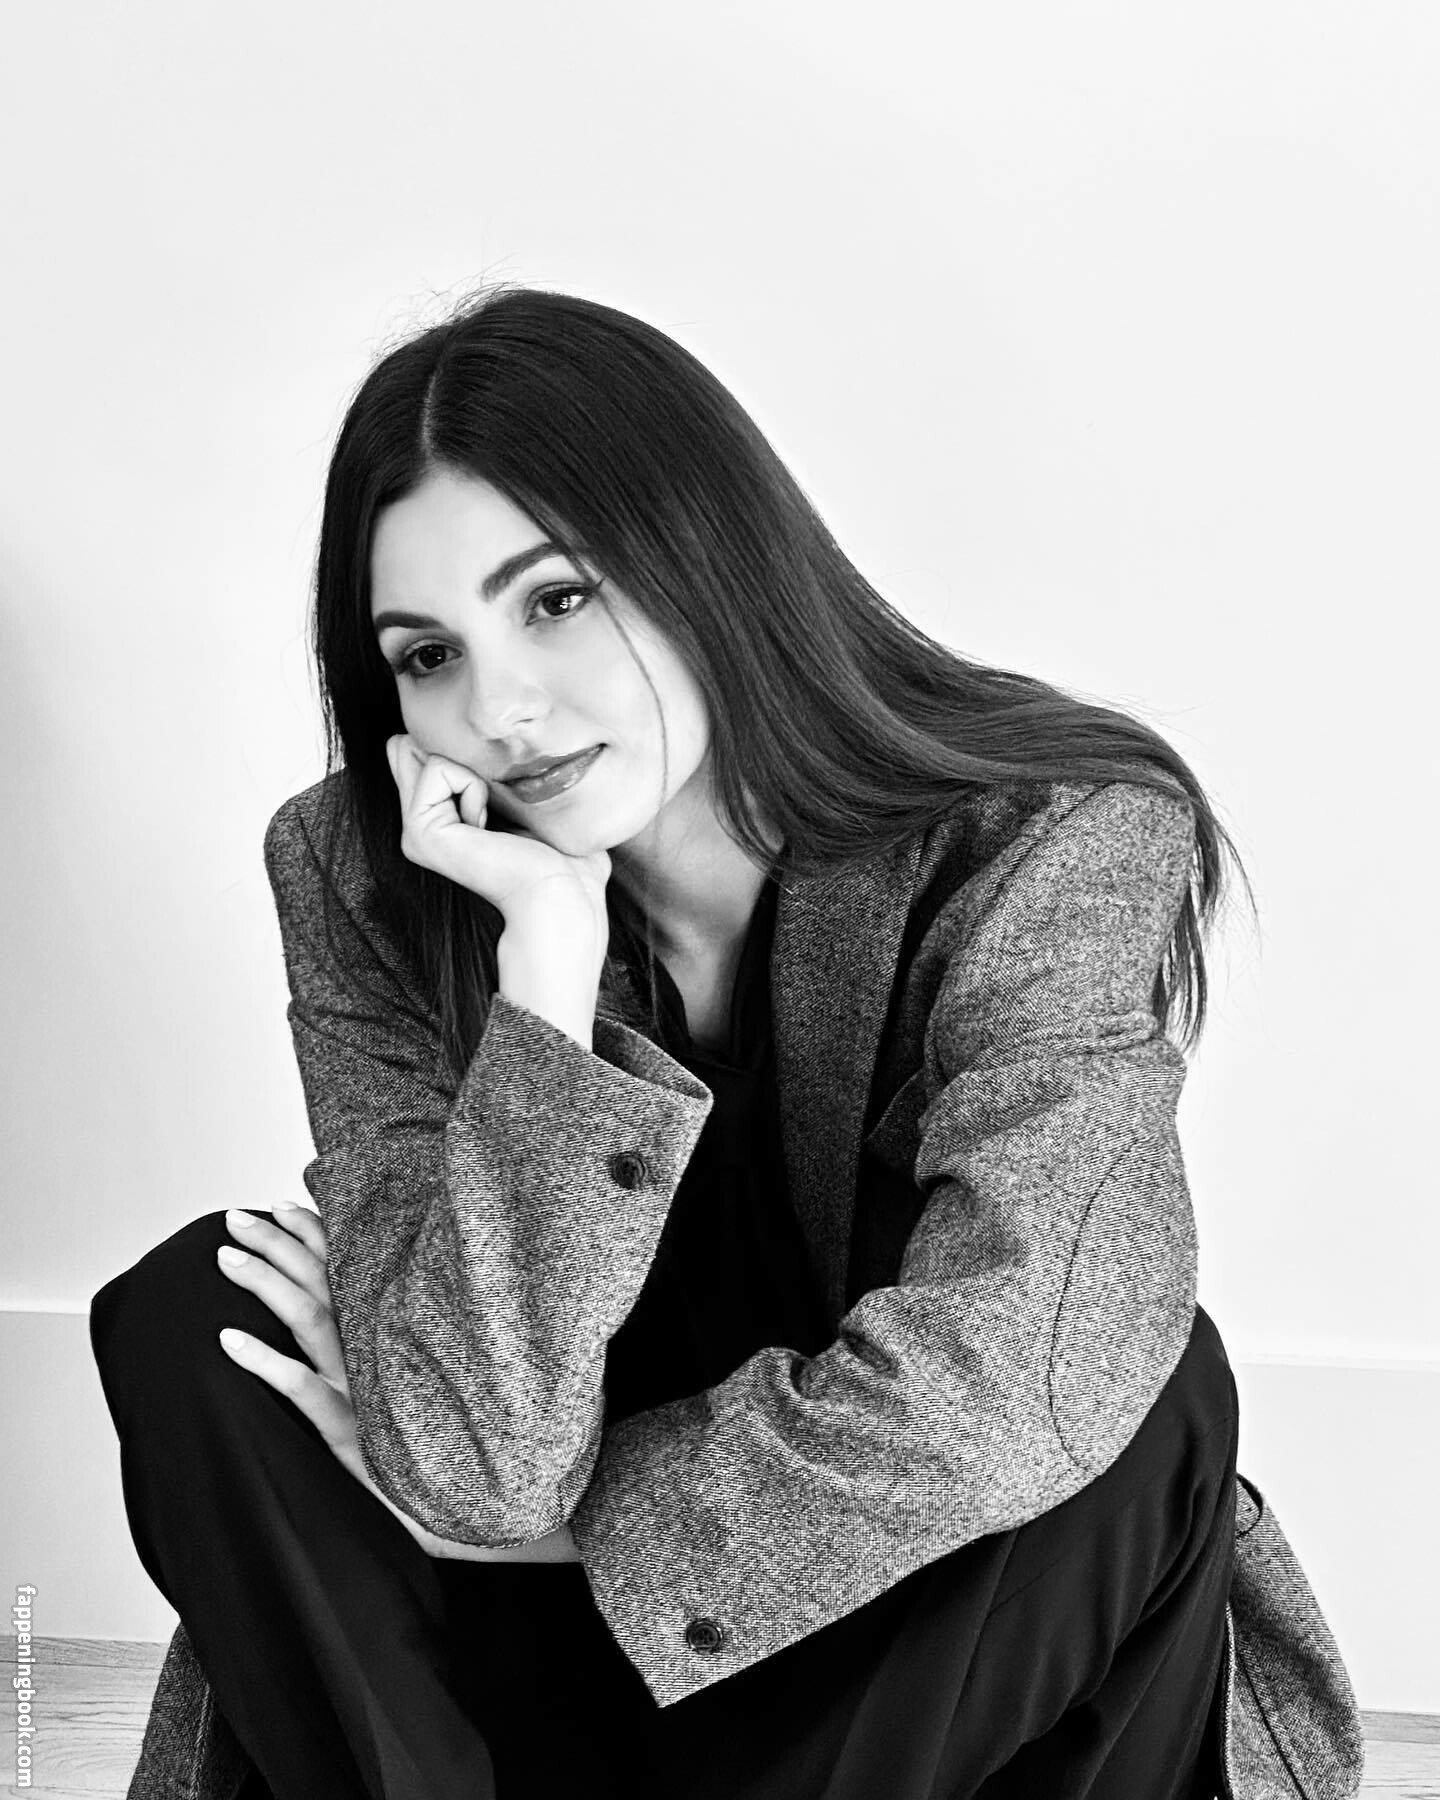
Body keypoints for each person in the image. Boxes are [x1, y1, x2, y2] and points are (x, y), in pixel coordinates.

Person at [91, 285, 1250, 1800]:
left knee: (1137, 1396)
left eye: (555, 600)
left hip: (903, 1650)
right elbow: (473, 1471)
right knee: (201, 1313)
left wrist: (587, 1532)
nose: (501, 708)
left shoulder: (1050, 838)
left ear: (707, 558)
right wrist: (544, 985)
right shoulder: (363, 873)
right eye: (426, 654)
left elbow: (1016, 1384)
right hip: (532, 1679)